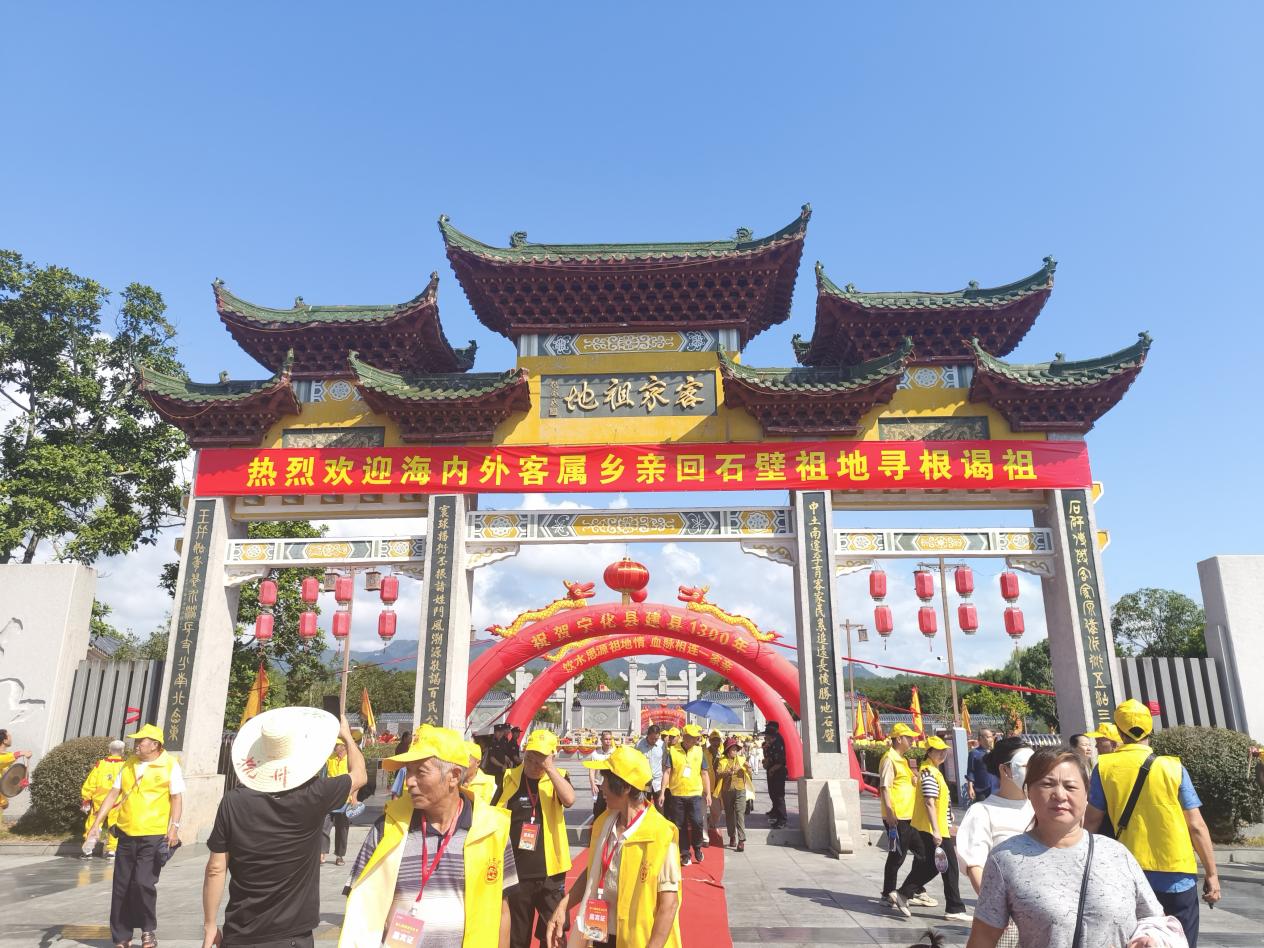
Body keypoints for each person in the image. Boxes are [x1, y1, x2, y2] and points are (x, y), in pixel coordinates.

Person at [202, 708, 367, 948]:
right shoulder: (315, 794)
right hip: (293, 936)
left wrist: (209, 925)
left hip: (241, 932)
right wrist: (347, 737)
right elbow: (360, 774)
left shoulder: (233, 801)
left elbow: (215, 869)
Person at [340, 724, 516, 947]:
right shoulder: (388, 827)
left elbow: (501, 911)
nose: (409, 781)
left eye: (420, 772)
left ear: (454, 776)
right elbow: (359, 901)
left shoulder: (490, 830)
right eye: (408, 771)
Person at [966, 749, 1163, 948]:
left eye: (1070, 786)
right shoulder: (1005, 859)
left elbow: (1154, 918)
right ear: (1028, 791)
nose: (1060, 795)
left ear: (1086, 794)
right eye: (1047, 784)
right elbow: (983, 938)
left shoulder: (1116, 854)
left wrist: (1150, 938)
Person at [1085, 699, 1221, 948]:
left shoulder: (1104, 768)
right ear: (1150, 729)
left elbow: (1092, 821)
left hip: (1128, 872)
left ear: (1119, 731)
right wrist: (1212, 874)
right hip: (1176, 873)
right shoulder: (1173, 767)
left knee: (1135, 941)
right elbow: (1196, 825)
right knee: (1179, 940)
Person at [546, 745, 682, 948]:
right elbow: (594, 871)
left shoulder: (661, 833)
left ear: (625, 787)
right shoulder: (604, 822)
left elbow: (669, 905)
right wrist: (564, 905)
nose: (601, 787)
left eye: (606, 781)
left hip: (638, 941)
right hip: (600, 932)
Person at [84, 724, 184, 948]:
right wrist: (97, 823)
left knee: (143, 883)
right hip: (126, 833)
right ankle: (121, 936)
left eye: (141, 741)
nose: (136, 745)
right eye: (136, 741)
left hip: (154, 834)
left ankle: (148, 930)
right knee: (121, 885)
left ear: (155, 745)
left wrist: (174, 828)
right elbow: (113, 794)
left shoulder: (170, 765)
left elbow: (176, 798)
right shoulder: (129, 763)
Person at [495, 729, 575, 948]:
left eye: (541, 758)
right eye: (530, 756)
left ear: (551, 756)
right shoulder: (510, 777)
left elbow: (569, 799)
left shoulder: (558, 777)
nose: (534, 763)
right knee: (517, 937)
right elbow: (494, 815)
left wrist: (549, 769)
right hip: (517, 872)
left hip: (551, 872)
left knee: (554, 934)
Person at [894, 737, 971, 922]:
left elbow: (938, 801)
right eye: (938, 750)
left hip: (935, 826)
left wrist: (948, 815)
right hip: (932, 828)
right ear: (929, 752)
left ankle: (904, 893)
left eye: (944, 750)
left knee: (934, 865)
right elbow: (929, 803)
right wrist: (936, 830)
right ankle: (954, 907)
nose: (942, 754)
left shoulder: (933, 771)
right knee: (948, 866)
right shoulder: (928, 772)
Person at [955, 737, 1033, 896]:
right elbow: (975, 866)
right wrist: (997, 906)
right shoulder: (981, 812)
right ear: (1005, 770)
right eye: (1027, 766)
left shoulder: (1043, 805)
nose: (1035, 772)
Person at [880, 723, 933, 916]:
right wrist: (890, 812)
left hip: (910, 816)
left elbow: (906, 782)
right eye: (908, 737)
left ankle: (913, 889)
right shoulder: (889, 759)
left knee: (923, 853)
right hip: (898, 816)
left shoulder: (901, 760)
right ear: (899, 739)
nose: (912, 741)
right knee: (897, 856)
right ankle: (888, 893)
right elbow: (885, 787)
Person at [661, 723, 711, 866]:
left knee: (697, 821)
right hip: (677, 794)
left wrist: (707, 793)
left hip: (695, 793)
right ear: (684, 737)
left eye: (696, 738)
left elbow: (704, 773)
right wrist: (663, 792)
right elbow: (667, 772)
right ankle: (685, 853)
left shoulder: (699, 751)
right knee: (680, 825)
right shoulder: (673, 751)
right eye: (691, 737)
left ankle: (697, 847)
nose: (694, 740)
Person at [81, 739, 126, 859]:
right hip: (117, 800)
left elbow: (91, 781)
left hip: (99, 800)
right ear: (122, 751)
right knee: (114, 824)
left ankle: (88, 850)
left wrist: (86, 797)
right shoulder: (125, 765)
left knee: (94, 823)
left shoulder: (100, 764)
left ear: (109, 750)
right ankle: (112, 850)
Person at [715, 737, 752, 851]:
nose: (735, 751)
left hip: (740, 789)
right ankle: (732, 836)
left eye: (736, 749)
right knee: (730, 814)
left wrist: (749, 769)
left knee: (740, 814)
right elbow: (718, 775)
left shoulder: (741, 759)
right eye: (733, 749)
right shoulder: (722, 761)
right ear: (727, 751)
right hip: (727, 791)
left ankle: (741, 840)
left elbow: (749, 774)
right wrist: (728, 772)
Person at [322, 738, 355, 866]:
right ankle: (322, 853)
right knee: (324, 827)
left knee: (342, 829)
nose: (335, 746)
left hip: (345, 801)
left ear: (344, 746)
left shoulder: (351, 760)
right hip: (330, 800)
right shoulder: (329, 759)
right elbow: (323, 777)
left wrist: (354, 797)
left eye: (337, 744)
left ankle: (339, 856)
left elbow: (356, 780)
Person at [761, 721, 787, 830]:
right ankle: (776, 814)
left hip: (778, 772)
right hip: (771, 771)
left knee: (779, 796)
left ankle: (782, 819)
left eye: (767, 735)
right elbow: (768, 756)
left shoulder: (778, 742)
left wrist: (772, 769)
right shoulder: (769, 743)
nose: (765, 737)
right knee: (773, 793)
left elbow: (781, 761)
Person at [0, 729, 31, 812]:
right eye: (9, 736)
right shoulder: (5, 757)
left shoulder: (6, 755)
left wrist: (20, 783)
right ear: (4, 740)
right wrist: (21, 753)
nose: (11, 738)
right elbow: (3, 759)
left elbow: (8, 778)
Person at [966, 729, 998, 805]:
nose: (992, 739)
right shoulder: (974, 753)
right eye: (989, 737)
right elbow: (970, 771)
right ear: (981, 738)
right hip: (981, 789)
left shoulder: (994, 752)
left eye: (992, 737)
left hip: (995, 789)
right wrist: (970, 787)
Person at [704, 730, 726, 846]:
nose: (716, 743)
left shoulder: (722, 754)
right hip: (704, 787)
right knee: (702, 813)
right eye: (714, 740)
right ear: (710, 741)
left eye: (718, 740)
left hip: (716, 788)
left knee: (717, 812)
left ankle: (711, 823)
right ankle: (704, 838)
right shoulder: (703, 752)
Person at [635, 725, 665, 806]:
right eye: (652, 738)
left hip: (657, 782)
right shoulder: (639, 745)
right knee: (644, 807)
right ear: (647, 735)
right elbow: (635, 762)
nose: (654, 741)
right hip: (644, 782)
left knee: (659, 808)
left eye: (656, 739)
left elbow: (664, 763)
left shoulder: (662, 745)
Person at [588, 730, 615, 820]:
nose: (608, 741)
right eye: (606, 739)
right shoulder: (595, 754)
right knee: (599, 810)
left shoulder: (615, 753)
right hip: (599, 785)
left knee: (613, 809)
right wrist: (593, 784)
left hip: (612, 785)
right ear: (601, 740)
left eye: (610, 739)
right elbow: (591, 771)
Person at [464, 740, 499, 805]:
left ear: (478, 762)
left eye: (466, 760)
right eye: (461, 759)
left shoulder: (489, 784)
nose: (462, 764)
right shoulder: (454, 779)